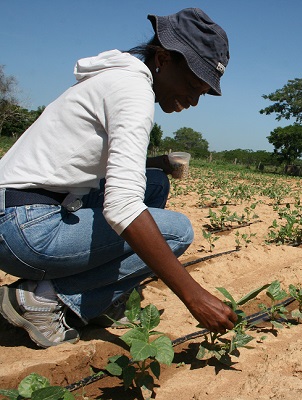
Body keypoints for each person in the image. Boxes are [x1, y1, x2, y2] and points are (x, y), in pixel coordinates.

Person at [0, 8, 237, 348]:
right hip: (23, 228)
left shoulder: (120, 78)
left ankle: (99, 297)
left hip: (18, 211)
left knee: (155, 182)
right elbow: (122, 207)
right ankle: (43, 299)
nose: (194, 100)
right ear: (163, 58)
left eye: (203, 91)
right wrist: (193, 295)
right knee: (176, 231)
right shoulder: (133, 91)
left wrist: (158, 163)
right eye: (192, 85)